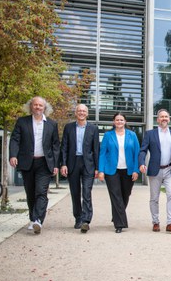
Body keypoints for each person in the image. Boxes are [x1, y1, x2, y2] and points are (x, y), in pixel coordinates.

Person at [9, 96, 60, 234]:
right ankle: (33, 218)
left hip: (44, 163)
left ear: (45, 108)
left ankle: (38, 220)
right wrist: (13, 155)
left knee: (41, 192)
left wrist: (56, 164)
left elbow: (56, 145)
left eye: (40, 105)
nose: (38, 107)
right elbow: (15, 139)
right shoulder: (22, 122)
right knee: (30, 193)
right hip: (27, 162)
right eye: (35, 105)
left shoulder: (52, 124)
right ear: (31, 106)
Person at [139, 109, 171, 233]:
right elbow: (143, 150)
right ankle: (155, 222)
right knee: (154, 198)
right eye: (161, 117)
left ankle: (170, 223)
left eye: (166, 116)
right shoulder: (150, 134)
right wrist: (142, 163)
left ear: (169, 119)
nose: (164, 118)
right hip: (155, 170)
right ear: (157, 119)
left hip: (170, 170)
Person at [60, 104, 99, 233]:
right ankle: (78, 218)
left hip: (88, 164)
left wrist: (97, 168)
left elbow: (96, 149)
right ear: (76, 113)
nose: (81, 113)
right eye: (79, 111)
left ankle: (86, 220)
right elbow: (64, 147)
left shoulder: (93, 128)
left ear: (87, 113)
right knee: (75, 193)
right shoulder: (69, 127)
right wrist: (63, 164)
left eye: (84, 111)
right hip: (73, 163)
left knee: (87, 192)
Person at [98, 113, 140, 233]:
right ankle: (119, 224)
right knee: (116, 196)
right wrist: (101, 170)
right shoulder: (107, 135)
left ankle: (116, 215)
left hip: (128, 170)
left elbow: (137, 153)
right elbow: (102, 153)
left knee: (125, 195)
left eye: (121, 120)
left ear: (125, 121)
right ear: (113, 122)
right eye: (117, 120)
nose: (119, 122)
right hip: (111, 170)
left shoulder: (132, 135)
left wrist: (136, 170)